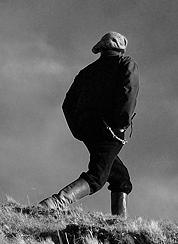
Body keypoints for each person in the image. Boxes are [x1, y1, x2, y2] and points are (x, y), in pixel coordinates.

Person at [39, 31, 139, 217]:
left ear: (102, 48)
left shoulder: (86, 72)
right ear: (120, 48)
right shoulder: (125, 64)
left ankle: (119, 224)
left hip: (88, 129)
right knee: (97, 177)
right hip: (110, 130)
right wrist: (121, 123)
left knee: (120, 178)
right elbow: (128, 91)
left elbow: (67, 104)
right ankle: (53, 204)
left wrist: (78, 130)